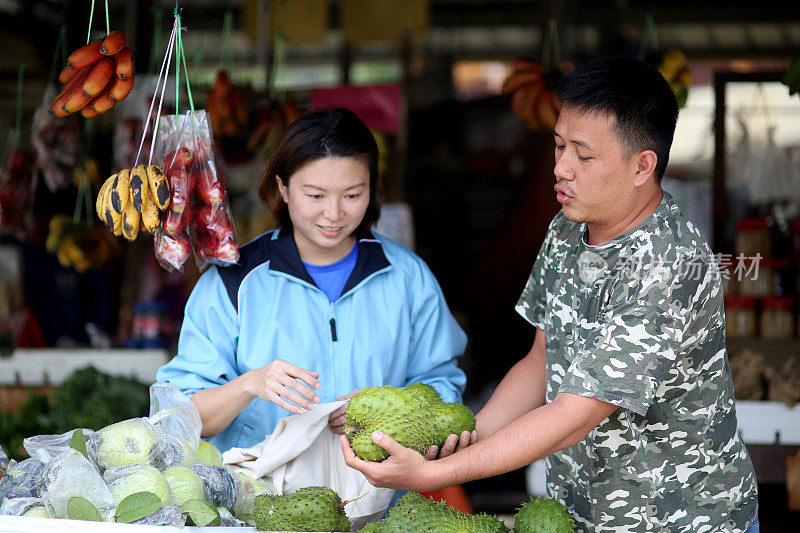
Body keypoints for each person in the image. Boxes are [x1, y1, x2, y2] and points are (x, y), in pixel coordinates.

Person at [342, 57, 760, 533]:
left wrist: (437, 473)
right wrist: (466, 439)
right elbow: (542, 360)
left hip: (683, 521)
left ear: (643, 165)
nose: (561, 168)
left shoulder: (667, 265)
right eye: (559, 146)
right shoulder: (567, 228)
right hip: (582, 515)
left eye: (583, 156)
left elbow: (574, 415)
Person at [157, 108, 472, 457]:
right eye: (316, 196)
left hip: (381, 500)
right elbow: (180, 416)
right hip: (257, 501)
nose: (334, 213)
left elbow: (442, 384)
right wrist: (251, 384)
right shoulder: (233, 282)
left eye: (352, 195)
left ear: (372, 189)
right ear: (283, 188)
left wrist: (393, 407)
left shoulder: (406, 276)